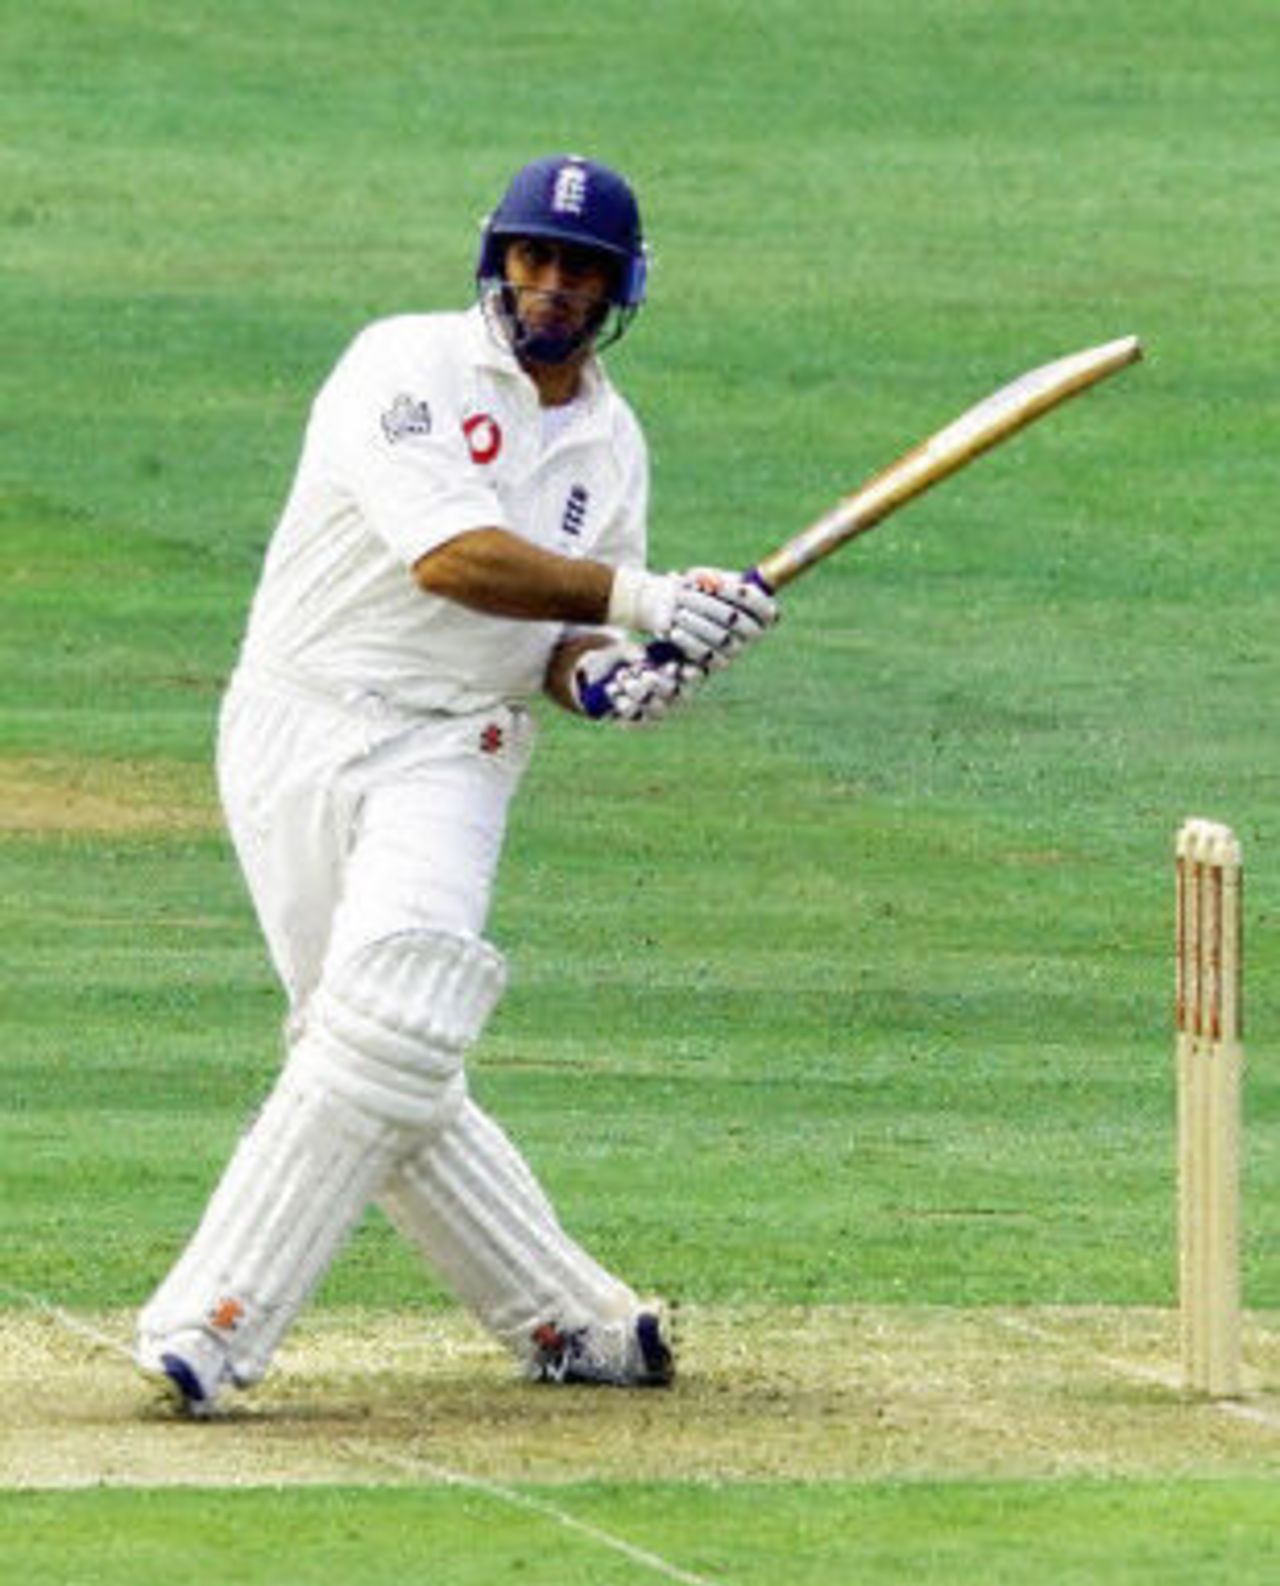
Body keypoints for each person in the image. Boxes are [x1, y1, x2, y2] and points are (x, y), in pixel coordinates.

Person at [135, 154, 777, 1415]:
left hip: (453, 745)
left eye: (579, 269)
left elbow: (561, 642)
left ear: (619, 288)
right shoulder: (401, 366)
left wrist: (615, 678)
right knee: (361, 1047)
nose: (550, 285)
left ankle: (212, 1318)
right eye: (533, 258)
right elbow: (452, 557)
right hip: (295, 720)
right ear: (497, 263)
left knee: (398, 1014)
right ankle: (568, 1318)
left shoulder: (612, 437)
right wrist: (646, 603)